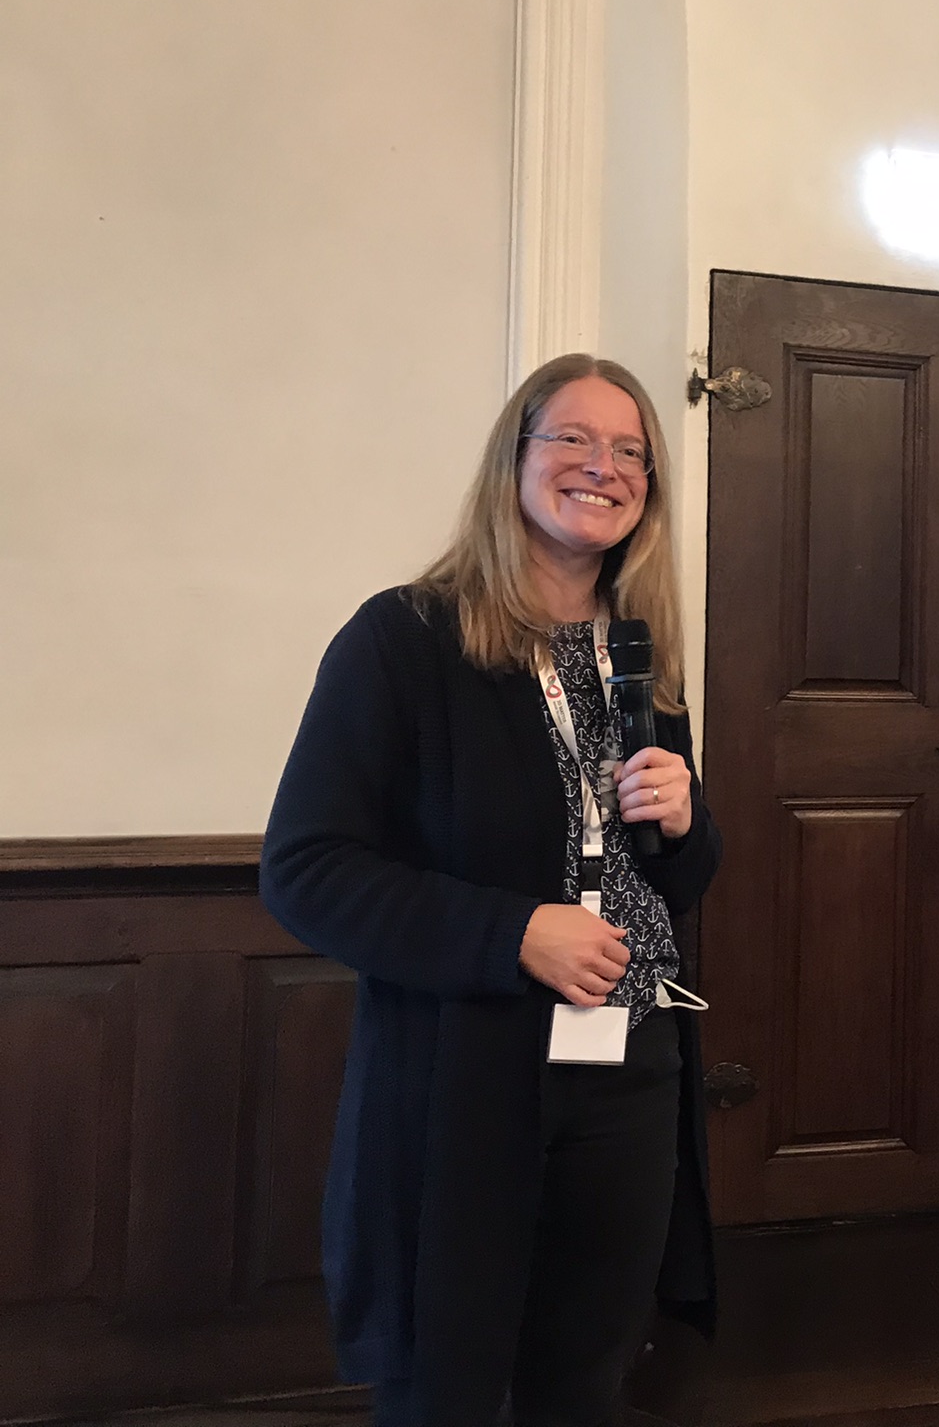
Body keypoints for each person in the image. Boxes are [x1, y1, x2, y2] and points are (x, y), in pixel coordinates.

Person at [261, 354, 722, 1427]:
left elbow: (673, 883)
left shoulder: (640, 655)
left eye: (630, 452)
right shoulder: (403, 639)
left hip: (631, 1065)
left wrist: (686, 823)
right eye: (573, 438)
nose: (604, 467)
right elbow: (306, 869)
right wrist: (511, 932)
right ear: (513, 457)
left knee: (587, 1380)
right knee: (449, 1388)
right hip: (467, 1078)